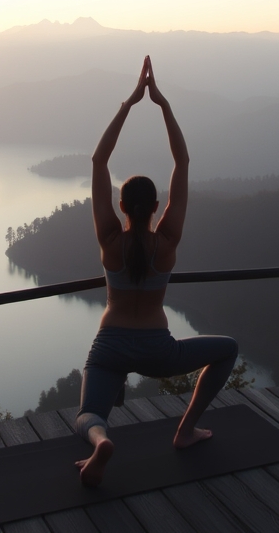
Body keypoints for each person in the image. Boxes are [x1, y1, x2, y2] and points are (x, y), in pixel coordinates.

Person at [73, 56, 239, 487]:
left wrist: (129, 103)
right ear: (155, 208)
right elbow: (182, 162)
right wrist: (162, 105)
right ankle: (185, 431)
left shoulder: (111, 241)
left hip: (110, 344)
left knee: (88, 413)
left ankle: (99, 441)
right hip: (157, 349)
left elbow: (98, 161)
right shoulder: (167, 242)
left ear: (123, 206)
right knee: (227, 348)